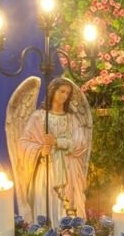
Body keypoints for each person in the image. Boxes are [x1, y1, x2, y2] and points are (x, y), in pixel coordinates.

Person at [17, 77, 91, 223]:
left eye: (67, 93)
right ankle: (45, 233)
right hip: (47, 168)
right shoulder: (38, 117)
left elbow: (81, 143)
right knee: (47, 201)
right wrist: (39, 150)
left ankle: (67, 234)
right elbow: (23, 143)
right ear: (52, 91)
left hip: (68, 169)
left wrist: (57, 142)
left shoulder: (71, 119)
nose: (65, 96)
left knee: (67, 206)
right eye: (62, 91)